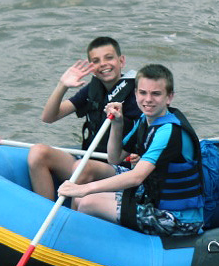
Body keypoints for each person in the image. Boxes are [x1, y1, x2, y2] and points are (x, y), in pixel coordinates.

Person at [58, 64, 205, 237]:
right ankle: (74, 241)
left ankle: (82, 244)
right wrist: (117, 123)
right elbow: (115, 157)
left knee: (87, 201)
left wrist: (85, 188)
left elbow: (137, 177)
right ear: (135, 94)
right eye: (143, 93)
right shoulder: (145, 119)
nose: (148, 99)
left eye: (156, 94)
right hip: (151, 197)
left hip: (177, 219)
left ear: (169, 97)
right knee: (83, 197)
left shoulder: (169, 132)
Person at [27, 37, 141, 200]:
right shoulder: (92, 90)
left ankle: (72, 219)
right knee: (38, 152)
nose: (103, 64)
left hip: (119, 170)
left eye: (109, 58)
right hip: (88, 161)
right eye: (96, 61)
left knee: (81, 167)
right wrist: (63, 85)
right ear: (91, 68)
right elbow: (49, 117)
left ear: (121, 61)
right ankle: (45, 210)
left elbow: (149, 132)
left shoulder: (138, 95)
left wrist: (139, 154)